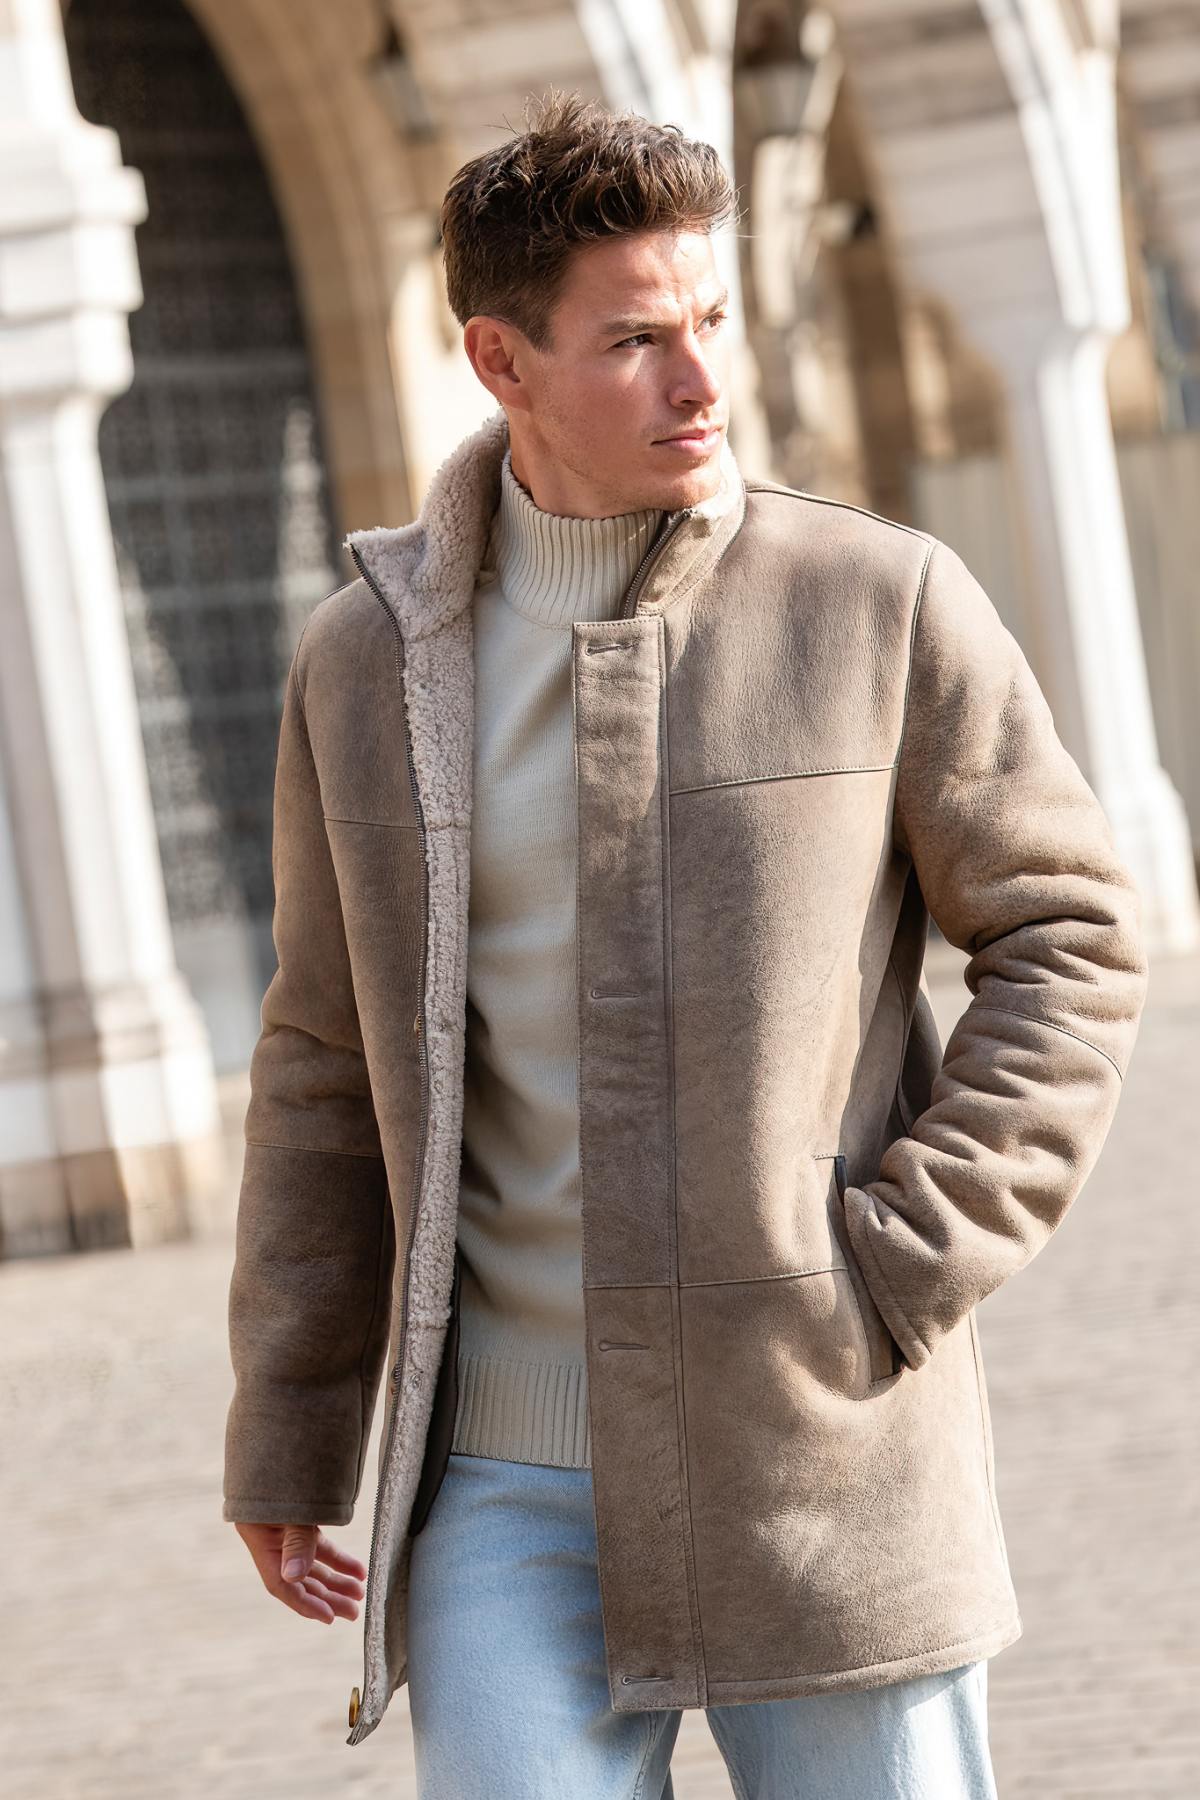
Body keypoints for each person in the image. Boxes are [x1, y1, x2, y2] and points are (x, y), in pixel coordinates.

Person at [222, 90, 1149, 1798]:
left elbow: (1072, 931)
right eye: (636, 340)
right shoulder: (364, 667)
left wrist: (897, 1260)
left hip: (818, 1447)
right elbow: (323, 1056)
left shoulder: (875, 601)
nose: (702, 377)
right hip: (498, 1487)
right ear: (500, 363)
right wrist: (292, 1415)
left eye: (709, 318)